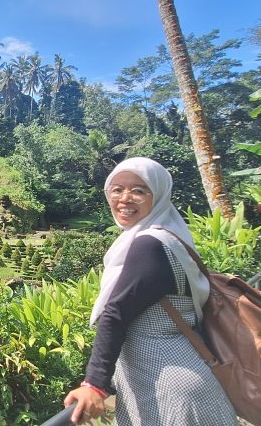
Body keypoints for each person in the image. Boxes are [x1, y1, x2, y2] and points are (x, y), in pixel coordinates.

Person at [63, 157, 236, 425]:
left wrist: (94, 384)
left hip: (166, 387)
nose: (125, 198)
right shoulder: (170, 235)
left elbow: (116, 313)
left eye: (139, 190)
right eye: (117, 189)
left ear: (158, 194)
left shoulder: (150, 244)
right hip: (179, 374)